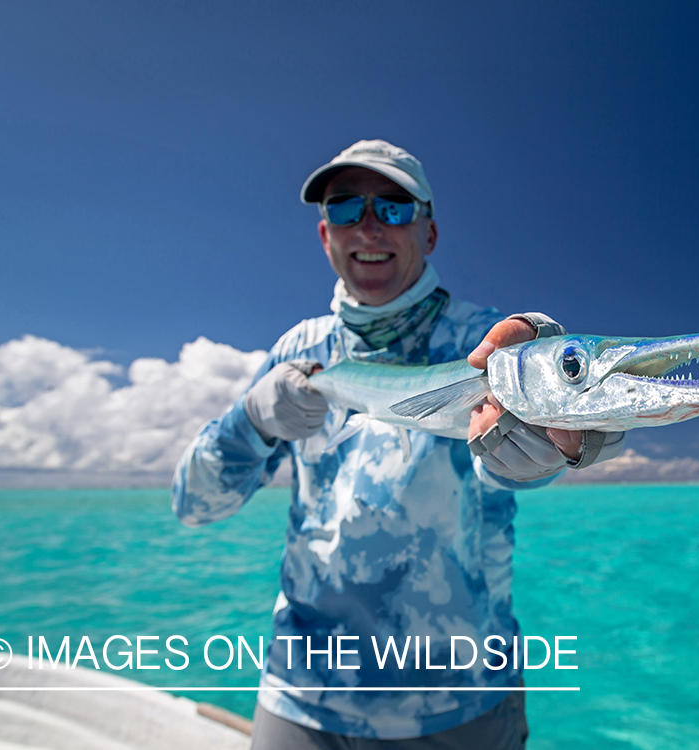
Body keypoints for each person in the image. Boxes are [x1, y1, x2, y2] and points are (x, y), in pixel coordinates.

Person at [172, 140, 624, 749]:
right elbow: (193, 505)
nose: (367, 224)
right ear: (324, 235)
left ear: (428, 232)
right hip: (303, 697)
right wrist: (252, 420)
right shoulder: (296, 353)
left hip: (464, 704)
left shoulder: (483, 341)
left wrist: (564, 436)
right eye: (344, 208)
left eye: (393, 207)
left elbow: (522, 461)